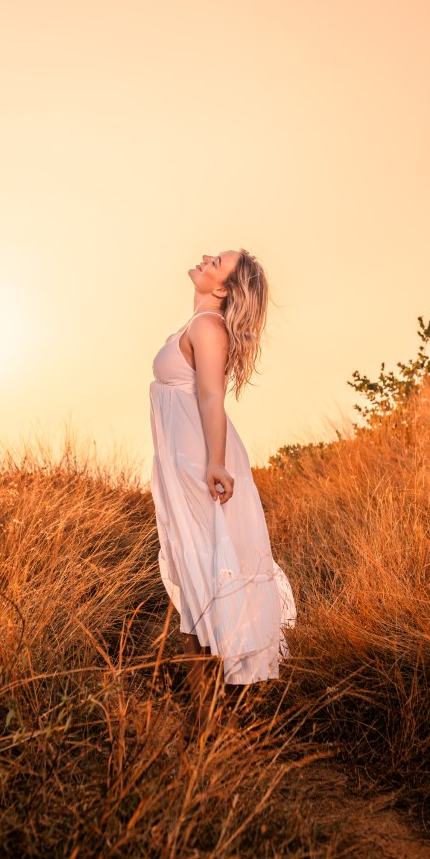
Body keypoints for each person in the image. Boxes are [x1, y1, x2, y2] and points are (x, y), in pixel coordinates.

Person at [149, 249, 296, 735]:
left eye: (221, 261)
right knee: (197, 585)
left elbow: (212, 396)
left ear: (224, 289)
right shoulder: (197, 324)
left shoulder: (208, 326)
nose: (208, 255)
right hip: (183, 462)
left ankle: (214, 723)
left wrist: (214, 461)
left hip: (201, 461)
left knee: (207, 579)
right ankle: (208, 720)